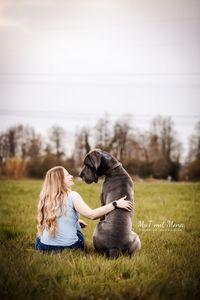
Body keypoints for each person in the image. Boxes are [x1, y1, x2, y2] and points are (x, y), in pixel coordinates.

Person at [35, 166, 133, 252]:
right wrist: (115, 204)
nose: (71, 176)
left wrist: (75, 221)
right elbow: (92, 215)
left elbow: (51, 220)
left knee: (39, 237)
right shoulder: (72, 196)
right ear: (59, 180)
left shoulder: (46, 198)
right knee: (77, 232)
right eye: (67, 175)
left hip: (45, 247)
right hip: (69, 247)